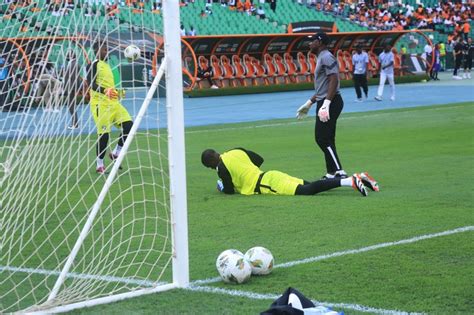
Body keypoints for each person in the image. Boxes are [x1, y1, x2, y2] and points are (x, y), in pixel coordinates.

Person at [201, 148, 379, 197]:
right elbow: (258, 160)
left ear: (210, 166)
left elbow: (230, 191)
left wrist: (221, 186)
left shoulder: (222, 169)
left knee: (307, 191)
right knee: (310, 185)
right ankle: (358, 178)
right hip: (270, 175)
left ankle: (350, 182)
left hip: (265, 185)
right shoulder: (235, 151)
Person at [296, 32, 347, 180]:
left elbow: (334, 80)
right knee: (327, 138)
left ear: (320, 42)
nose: (309, 44)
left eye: (312, 41)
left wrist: (326, 104)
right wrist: (310, 103)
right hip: (327, 100)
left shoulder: (326, 56)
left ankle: (338, 171)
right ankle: (332, 173)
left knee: (322, 138)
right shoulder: (322, 57)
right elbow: (324, 86)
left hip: (331, 101)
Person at [89, 41, 133, 174]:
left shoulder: (107, 66)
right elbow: (91, 84)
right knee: (104, 135)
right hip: (100, 104)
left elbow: (109, 87)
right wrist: (104, 91)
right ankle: (99, 164)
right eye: (103, 50)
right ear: (96, 51)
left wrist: (118, 93)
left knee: (129, 126)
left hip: (113, 104)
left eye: (107, 49)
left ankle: (116, 153)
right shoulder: (94, 64)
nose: (106, 52)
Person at [62, 50, 84, 129]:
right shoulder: (73, 63)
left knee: (71, 106)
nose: (66, 56)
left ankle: (75, 123)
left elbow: (72, 78)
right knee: (71, 105)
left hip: (70, 88)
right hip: (71, 87)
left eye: (67, 54)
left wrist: (67, 89)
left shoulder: (73, 64)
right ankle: (75, 123)